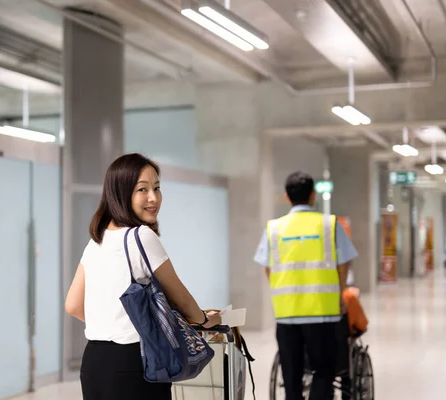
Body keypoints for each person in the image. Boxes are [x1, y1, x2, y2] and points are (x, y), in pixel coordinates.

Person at [65, 153, 221, 400]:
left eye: (157, 188)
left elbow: (72, 305)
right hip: (134, 364)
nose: (153, 198)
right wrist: (204, 320)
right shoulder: (141, 236)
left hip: (94, 363)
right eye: (142, 189)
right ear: (121, 193)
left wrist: (112, 323)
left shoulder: (97, 241)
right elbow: (181, 298)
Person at [254, 171, 358, 400]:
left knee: (291, 379)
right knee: (323, 372)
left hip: (287, 315)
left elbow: (268, 268)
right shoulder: (329, 225)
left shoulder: (274, 229)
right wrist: (340, 295)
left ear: (286, 196)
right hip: (323, 314)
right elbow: (344, 264)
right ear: (313, 195)